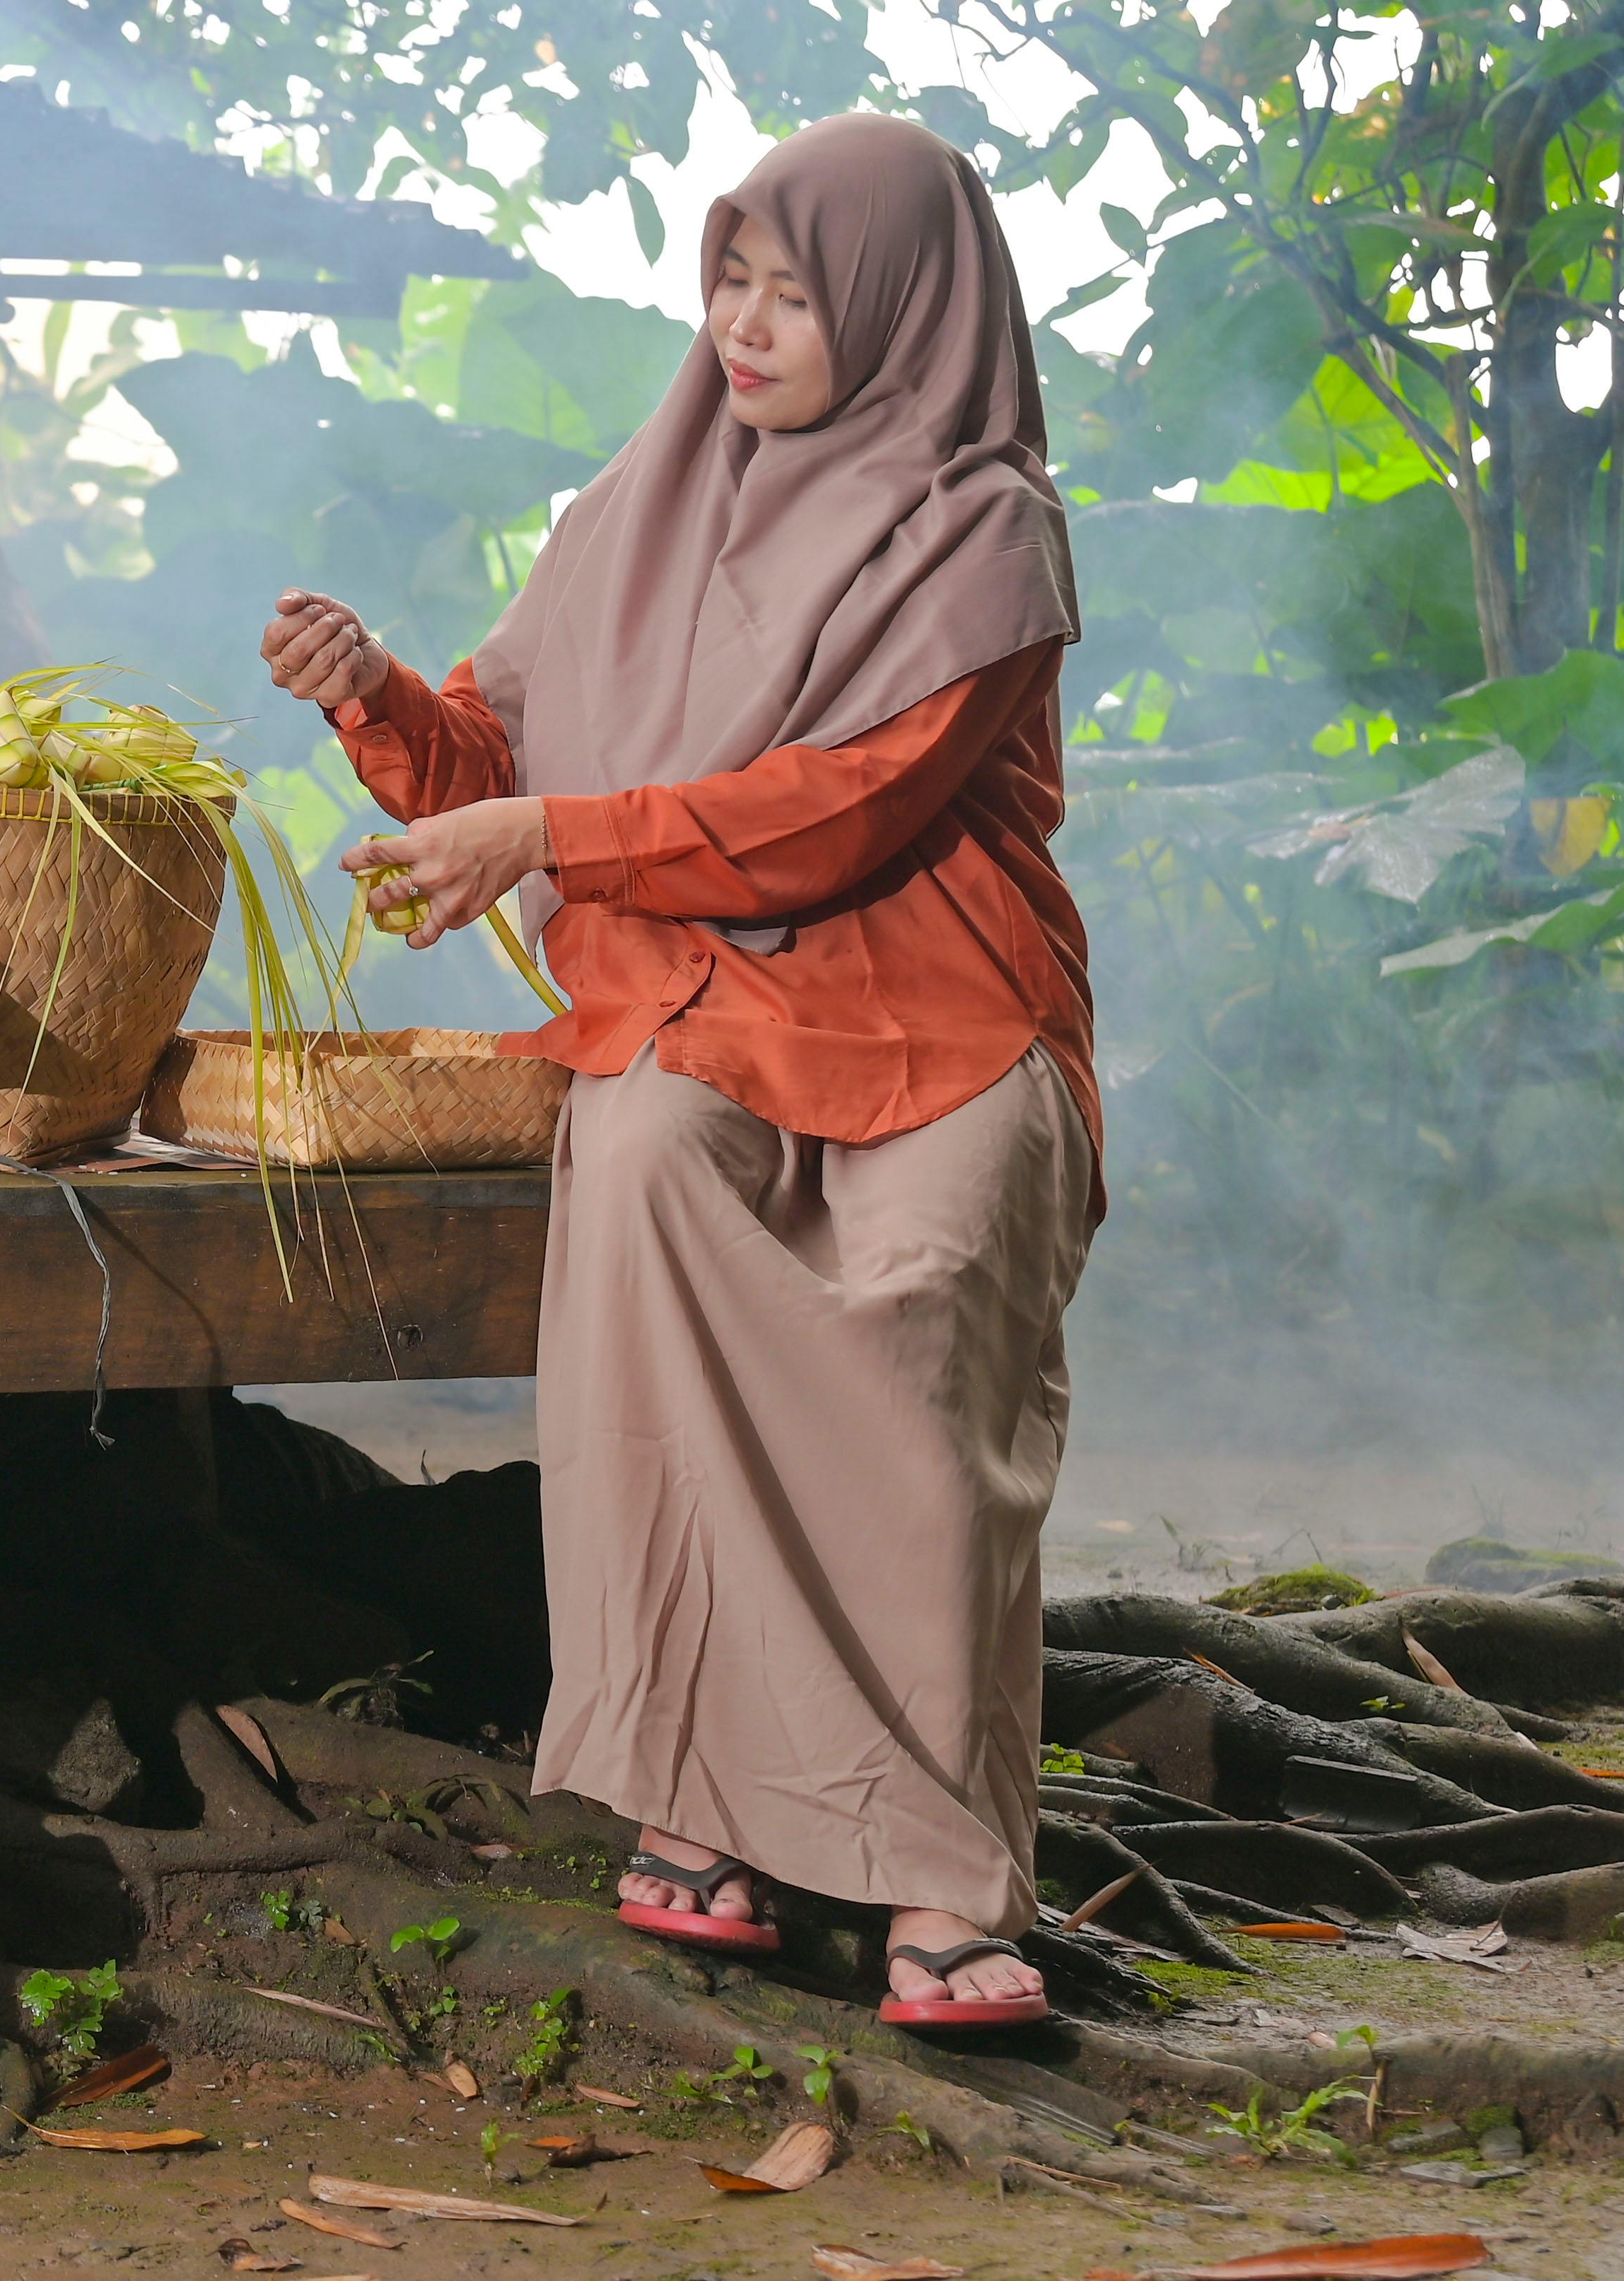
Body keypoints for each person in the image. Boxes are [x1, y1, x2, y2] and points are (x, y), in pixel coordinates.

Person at [261, 112, 1096, 2029]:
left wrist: (550, 840)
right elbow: (494, 754)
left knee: (930, 1295)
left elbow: (833, 813)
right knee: (638, 1170)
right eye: (732, 279)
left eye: (798, 292)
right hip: (692, 1005)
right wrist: (378, 698)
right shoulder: (629, 513)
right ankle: (702, 1800)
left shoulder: (985, 528)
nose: (749, 324)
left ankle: (944, 1880)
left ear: (906, 306)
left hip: (947, 1009)